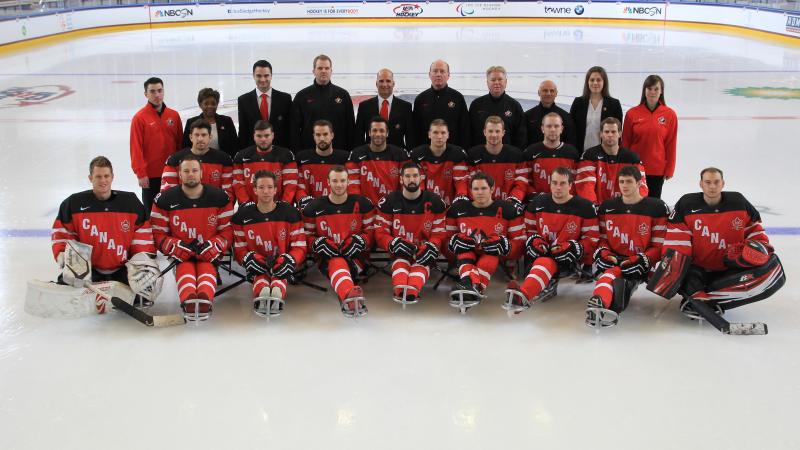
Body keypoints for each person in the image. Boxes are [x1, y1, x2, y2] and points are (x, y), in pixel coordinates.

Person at [657, 167, 784, 330]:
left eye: (716, 182)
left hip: (729, 269)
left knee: (772, 270)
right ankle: (700, 296)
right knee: (684, 276)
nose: (712, 186)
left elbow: (755, 231)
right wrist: (675, 275)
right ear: (700, 184)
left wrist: (760, 250)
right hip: (698, 269)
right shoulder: (687, 204)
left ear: (723, 183)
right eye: (708, 182)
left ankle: (704, 300)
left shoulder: (738, 202)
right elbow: (677, 243)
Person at [51, 156, 158, 307]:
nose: (103, 180)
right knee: (66, 283)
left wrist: (140, 260)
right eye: (98, 176)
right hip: (89, 270)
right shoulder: (73, 204)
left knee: (145, 288)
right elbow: (62, 233)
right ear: (90, 178)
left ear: (112, 177)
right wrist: (62, 253)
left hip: (122, 269)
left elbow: (142, 236)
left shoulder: (130, 203)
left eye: (106, 176)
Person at [150, 155, 233, 321]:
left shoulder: (220, 197)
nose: (190, 174)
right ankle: (188, 298)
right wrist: (173, 245)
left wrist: (216, 245)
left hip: (208, 253)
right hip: (182, 255)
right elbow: (157, 233)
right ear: (179, 174)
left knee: (206, 265)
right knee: (185, 266)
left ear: (201, 173)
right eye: (186, 171)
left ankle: (204, 299)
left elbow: (229, 230)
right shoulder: (164, 199)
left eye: (194, 170)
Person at [504, 167, 598, 313]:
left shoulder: (585, 207)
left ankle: (523, 295)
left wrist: (575, 247)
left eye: (562, 183)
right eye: (554, 183)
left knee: (546, 262)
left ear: (570, 185)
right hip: (543, 253)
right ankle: (527, 293)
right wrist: (535, 241)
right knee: (544, 261)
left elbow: (591, 239)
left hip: (570, 259)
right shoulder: (536, 204)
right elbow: (529, 232)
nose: (558, 187)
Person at [585, 166, 669, 328]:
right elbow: (602, 239)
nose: (624, 185)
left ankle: (600, 304)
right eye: (621, 181)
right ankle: (599, 303)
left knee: (614, 279)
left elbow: (659, 245)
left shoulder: (656, 207)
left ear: (639, 183)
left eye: (629, 181)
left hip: (642, 263)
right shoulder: (607, 207)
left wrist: (644, 259)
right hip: (616, 260)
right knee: (610, 276)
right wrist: (603, 252)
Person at [302, 166, 375, 317]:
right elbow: (306, 236)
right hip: (326, 259)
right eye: (335, 181)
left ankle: (348, 295)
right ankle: (349, 295)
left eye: (342, 180)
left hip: (357, 259)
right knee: (337, 261)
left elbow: (372, 233)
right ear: (328, 182)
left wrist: (361, 240)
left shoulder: (362, 204)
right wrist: (316, 243)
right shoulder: (314, 207)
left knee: (340, 261)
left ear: (348, 182)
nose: (339, 184)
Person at [232, 170, 307, 317]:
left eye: (269, 187)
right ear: (254, 190)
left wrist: (291, 260)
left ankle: (277, 291)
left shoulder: (291, 213)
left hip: (280, 261)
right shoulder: (241, 217)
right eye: (261, 187)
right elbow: (239, 249)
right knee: (259, 274)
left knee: (280, 271)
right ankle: (262, 292)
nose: (265, 191)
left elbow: (300, 246)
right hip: (258, 263)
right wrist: (247, 259)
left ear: (275, 189)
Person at [445, 172, 524, 311]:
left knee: (491, 254)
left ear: (492, 189)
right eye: (476, 189)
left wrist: (506, 246)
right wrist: (452, 243)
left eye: (484, 188)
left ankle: (467, 285)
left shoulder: (508, 209)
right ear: (470, 190)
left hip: (491, 254)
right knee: (464, 252)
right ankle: (475, 289)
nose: (480, 192)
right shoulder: (457, 209)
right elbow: (445, 241)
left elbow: (520, 245)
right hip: (466, 254)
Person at [374, 163, 447, 305]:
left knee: (421, 263)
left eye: (415, 175)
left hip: (423, 251)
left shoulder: (435, 201)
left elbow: (439, 233)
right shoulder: (389, 201)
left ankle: (412, 291)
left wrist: (433, 246)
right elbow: (380, 232)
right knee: (400, 263)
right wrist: (392, 243)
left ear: (421, 178)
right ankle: (400, 290)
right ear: (401, 180)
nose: (411, 179)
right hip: (400, 250)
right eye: (407, 176)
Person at [130, 77, 182, 214]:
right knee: (151, 211)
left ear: (164, 91)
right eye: (152, 91)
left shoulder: (174, 115)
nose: (157, 94)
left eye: (159, 90)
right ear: (146, 94)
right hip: (150, 175)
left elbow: (180, 144)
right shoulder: (139, 118)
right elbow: (136, 148)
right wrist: (140, 173)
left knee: (173, 209)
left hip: (172, 172)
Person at [622, 74, 678, 199]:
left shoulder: (670, 115)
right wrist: (624, 165)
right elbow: (625, 142)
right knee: (634, 202)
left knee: (653, 204)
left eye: (656, 89)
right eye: (649, 88)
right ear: (644, 90)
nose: (652, 92)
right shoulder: (632, 114)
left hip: (657, 169)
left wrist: (670, 169)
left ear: (661, 91)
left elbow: (671, 144)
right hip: (635, 168)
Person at [575, 117, 648, 204]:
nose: (610, 135)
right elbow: (585, 186)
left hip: (623, 209)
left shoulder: (632, 158)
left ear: (620, 134)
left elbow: (641, 187)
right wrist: (593, 207)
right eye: (606, 132)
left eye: (613, 132)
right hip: (598, 209)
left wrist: (631, 206)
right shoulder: (589, 155)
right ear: (601, 134)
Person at [291, 54, 355, 151]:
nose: (323, 71)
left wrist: (350, 153)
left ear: (331, 71)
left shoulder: (343, 95)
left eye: (326, 68)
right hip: (309, 154)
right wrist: (297, 153)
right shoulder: (302, 96)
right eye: (320, 68)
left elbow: (350, 127)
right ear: (313, 71)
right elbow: (294, 130)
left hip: (339, 153)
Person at [160, 120, 234, 201]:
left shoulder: (224, 159)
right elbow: (167, 192)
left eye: (204, 135)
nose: (200, 139)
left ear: (210, 137)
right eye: (196, 135)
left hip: (213, 209)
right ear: (191, 137)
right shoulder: (174, 160)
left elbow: (229, 193)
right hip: (183, 209)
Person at [466, 116, 528, 211]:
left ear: (503, 133)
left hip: (508, 206)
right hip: (481, 207)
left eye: (497, 131)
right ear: (484, 132)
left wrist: (513, 200)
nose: (494, 135)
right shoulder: (472, 155)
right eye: (490, 131)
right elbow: (469, 184)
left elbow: (521, 183)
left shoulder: (517, 155)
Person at [346, 116, 410, 205]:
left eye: (382, 131)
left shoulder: (401, 155)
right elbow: (352, 186)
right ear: (369, 133)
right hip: (365, 209)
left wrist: (398, 204)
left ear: (387, 133)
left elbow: (405, 185)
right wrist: (361, 204)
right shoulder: (356, 154)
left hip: (392, 208)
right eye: (374, 130)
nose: (378, 134)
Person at [232, 120, 297, 206]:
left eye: (267, 135)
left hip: (280, 209)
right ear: (254, 137)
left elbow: (290, 184)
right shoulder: (240, 156)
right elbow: (238, 184)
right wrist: (246, 203)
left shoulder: (286, 155)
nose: (263, 139)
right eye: (259, 136)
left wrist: (284, 205)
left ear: (273, 135)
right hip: (249, 208)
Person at [411, 59, 470, 149]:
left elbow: (465, 129)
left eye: (442, 71)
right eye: (435, 71)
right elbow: (415, 131)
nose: (438, 74)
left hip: (453, 153)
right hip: (426, 153)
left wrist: (463, 151)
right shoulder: (420, 99)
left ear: (448, 75)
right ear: (429, 74)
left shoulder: (458, 98)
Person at [409, 119, 469, 205]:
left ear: (448, 135)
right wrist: (422, 203)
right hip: (425, 205)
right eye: (435, 132)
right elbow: (419, 185)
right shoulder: (417, 155)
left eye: (443, 133)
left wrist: (460, 200)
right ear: (429, 134)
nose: (439, 136)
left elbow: (461, 183)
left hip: (450, 206)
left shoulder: (457, 154)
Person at [294, 120, 350, 211]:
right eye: (318, 135)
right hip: (310, 209)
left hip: (337, 209)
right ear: (313, 137)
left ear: (332, 135)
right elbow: (299, 187)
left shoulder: (344, 158)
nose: (322, 138)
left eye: (325, 134)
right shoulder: (302, 158)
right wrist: (307, 205)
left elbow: (349, 185)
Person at [237, 60, 292, 149]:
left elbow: (290, 129)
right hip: (253, 153)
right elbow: (243, 131)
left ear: (271, 76)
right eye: (259, 76)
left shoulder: (285, 99)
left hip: (280, 152)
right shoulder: (243, 100)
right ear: (253, 76)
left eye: (266, 75)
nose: (263, 79)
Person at [522, 112, 581, 196]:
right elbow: (525, 181)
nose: (553, 129)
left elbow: (576, 182)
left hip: (565, 204)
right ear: (542, 128)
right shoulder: (530, 152)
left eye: (556, 126)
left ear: (561, 129)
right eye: (549, 126)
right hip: (538, 202)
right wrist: (535, 196)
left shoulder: (572, 153)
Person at [468, 66, 526, 148]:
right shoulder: (476, 105)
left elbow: (521, 136)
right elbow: (469, 132)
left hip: (507, 156)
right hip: (480, 156)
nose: (496, 82)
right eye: (493, 80)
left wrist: (516, 155)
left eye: (500, 79)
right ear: (487, 83)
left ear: (505, 82)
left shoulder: (515, 106)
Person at [354, 68, 413, 149]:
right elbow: (358, 137)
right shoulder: (364, 106)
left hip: (397, 156)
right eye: (381, 81)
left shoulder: (406, 107)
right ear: (376, 84)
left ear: (393, 83)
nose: (384, 84)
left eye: (388, 81)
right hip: (371, 156)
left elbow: (410, 137)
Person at [569, 66, 623, 153]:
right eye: (592, 80)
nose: (595, 83)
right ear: (587, 82)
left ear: (604, 82)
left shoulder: (614, 104)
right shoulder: (578, 103)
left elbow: (618, 133)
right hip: (581, 153)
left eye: (599, 80)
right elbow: (571, 130)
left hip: (605, 154)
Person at [181, 88, 238, 158]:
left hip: (222, 163)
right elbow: (186, 147)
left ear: (217, 104)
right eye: (206, 103)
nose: (210, 106)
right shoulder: (191, 122)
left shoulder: (226, 121)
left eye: (213, 103)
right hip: (197, 164)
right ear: (200, 105)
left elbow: (234, 145)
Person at [523, 80, 576, 147]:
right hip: (534, 155)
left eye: (552, 91)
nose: (548, 93)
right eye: (545, 90)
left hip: (559, 156)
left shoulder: (566, 117)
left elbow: (570, 142)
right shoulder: (527, 116)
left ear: (556, 93)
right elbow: (523, 141)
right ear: (539, 93)